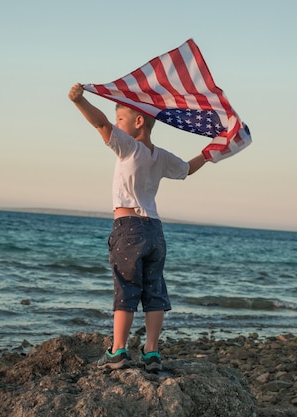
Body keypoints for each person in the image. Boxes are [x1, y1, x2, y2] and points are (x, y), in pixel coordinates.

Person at [68, 83, 207, 371]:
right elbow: (187, 169)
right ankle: (152, 352)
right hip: (155, 230)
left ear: (138, 122)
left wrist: (79, 101)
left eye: (121, 120)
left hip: (129, 227)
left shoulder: (128, 147)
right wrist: (209, 153)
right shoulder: (161, 156)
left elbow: (100, 122)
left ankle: (118, 349)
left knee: (126, 288)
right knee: (154, 290)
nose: (116, 125)